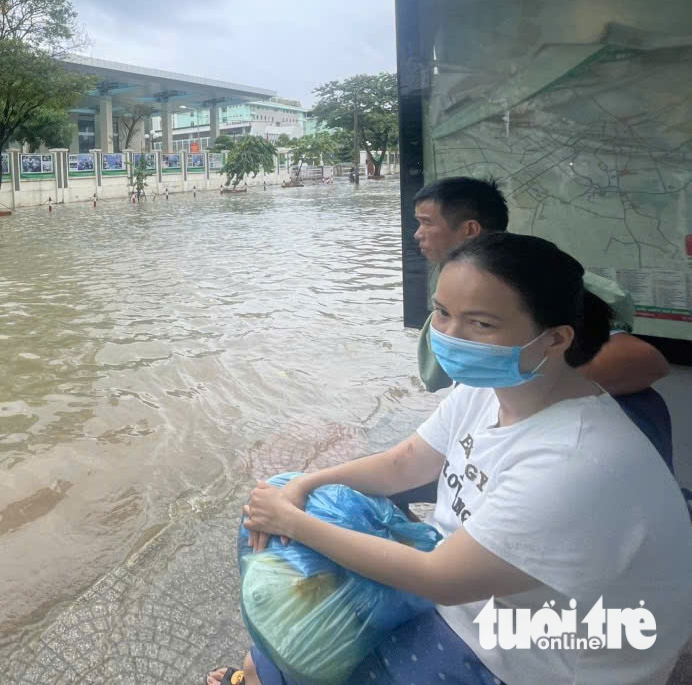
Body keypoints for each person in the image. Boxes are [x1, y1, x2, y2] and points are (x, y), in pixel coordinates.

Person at [211, 233, 692, 685]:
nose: (452, 335)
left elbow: (438, 580)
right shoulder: (493, 388)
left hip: (537, 658)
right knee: (288, 501)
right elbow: (406, 463)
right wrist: (301, 486)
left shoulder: (577, 462)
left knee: (298, 637)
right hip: (478, 591)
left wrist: (293, 522)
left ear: (556, 339)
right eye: (442, 313)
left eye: (481, 324)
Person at [410, 176, 672, 472]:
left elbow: (646, 360)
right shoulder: (471, 282)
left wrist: (523, 395)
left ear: (470, 229)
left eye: (426, 222)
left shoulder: (528, 280)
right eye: (443, 312)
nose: (417, 234)